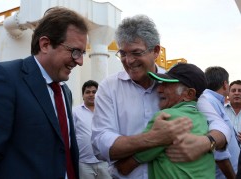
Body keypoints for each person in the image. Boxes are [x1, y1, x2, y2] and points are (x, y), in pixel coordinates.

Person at [91, 14, 230, 179]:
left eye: (136, 53)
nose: (128, 61)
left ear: (156, 51)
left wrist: (206, 142)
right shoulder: (109, 87)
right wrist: (153, 139)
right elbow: (101, 142)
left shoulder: (177, 82)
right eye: (122, 53)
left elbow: (220, 126)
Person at [0, 7, 88, 179]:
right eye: (75, 51)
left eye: (83, 53)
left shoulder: (65, 92)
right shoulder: (4, 78)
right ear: (45, 44)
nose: (80, 61)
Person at [115, 63, 215, 178]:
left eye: (167, 85)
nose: (159, 89)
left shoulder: (167, 118)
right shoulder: (204, 119)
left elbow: (125, 167)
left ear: (189, 94)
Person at [202, 66, 240, 179]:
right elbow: (217, 148)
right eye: (232, 88)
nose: (237, 93)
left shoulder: (215, 101)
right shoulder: (208, 102)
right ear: (225, 84)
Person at [73, 80, 112, 179]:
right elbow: (70, 135)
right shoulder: (75, 112)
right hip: (83, 163)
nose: (91, 94)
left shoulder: (106, 111)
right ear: (83, 95)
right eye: (87, 92)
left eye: (94, 92)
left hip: (104, 162)